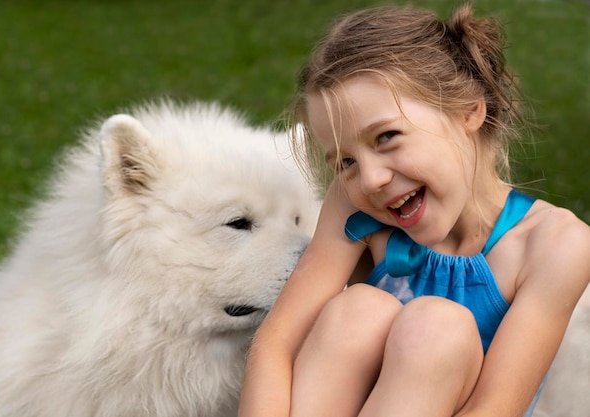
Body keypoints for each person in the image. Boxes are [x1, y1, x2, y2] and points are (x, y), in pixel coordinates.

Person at [238, 3, 590, 417]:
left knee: (438, 329)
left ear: (468, 110)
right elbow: (276, 345)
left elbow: (495, 408)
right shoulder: (353, 204)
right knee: (359, 311)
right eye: (345, 162)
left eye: (386, 136)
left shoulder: (556, 245)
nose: (369, 180)